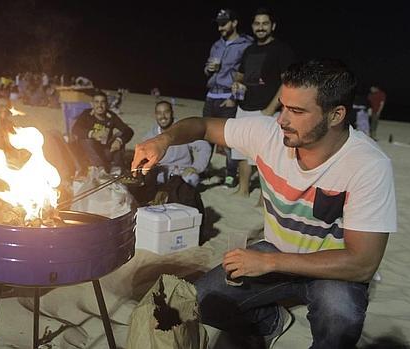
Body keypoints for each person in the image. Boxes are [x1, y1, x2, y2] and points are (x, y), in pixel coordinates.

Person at [132, 59, 396, 348]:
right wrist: (164, 140)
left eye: (297, 111)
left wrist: (267, 261)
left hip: (329, 267)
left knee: (340, 315)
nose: (282, 119)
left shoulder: (368, 165)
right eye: (283, 106)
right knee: (201, 301)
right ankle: (271, 322)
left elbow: (362, 264)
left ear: (336, 115)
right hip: (276, 250)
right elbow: (203, 126)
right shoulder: (270, 134)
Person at [230, 7, 295, 197]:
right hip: (244, 108)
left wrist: (270, 108)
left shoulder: (282, 49)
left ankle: (263, 197)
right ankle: (243, 190)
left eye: (265, 23)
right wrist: (236, 84)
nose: (261, 27)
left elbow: (288, 82)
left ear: (272, 26)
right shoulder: (249, 50)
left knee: (266, 156)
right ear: (252, 26)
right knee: (241, 152)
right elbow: (240, 76)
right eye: (257, 24)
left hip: (266, 110)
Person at [202, 9, 253, 187]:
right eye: (218, 24)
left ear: (235, 22)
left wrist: (234, 97)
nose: (220, 27)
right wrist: (208, 69)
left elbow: (247, 74)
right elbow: (207, 68)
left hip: (227, 97)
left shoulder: (246, 44)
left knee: (228, 139)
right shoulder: (216, 45)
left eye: (224, 23)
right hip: (211, 95)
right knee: (206, 136)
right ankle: (203, 170)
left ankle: (230, 175)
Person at [144, 100, 210, 187]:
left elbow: (205, 147)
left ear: (172, 113)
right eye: (159, 113)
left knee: (192, 178)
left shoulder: (183, 130)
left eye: (166, 112)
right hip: (161, 175)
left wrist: (196, 167)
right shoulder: (150, 136)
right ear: (155, 115)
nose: (163, 116)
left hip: (183, 173)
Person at [71, 91, 134, 173]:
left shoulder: (111, 116)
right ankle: (100, 168)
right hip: (88, 154)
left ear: (107, 104)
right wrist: (92, 134)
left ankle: (118, 168)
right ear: (92, 104)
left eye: (102, 102)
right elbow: (75, 129)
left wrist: (119, 141)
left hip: (105, 151)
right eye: (96, 102)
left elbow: (128, 131)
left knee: (119, 136)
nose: (99, 106)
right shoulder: (87, 114)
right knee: (86, 138)